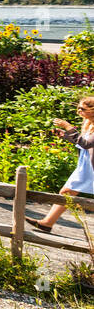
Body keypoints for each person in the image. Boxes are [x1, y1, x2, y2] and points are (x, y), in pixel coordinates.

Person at [32, 96, 94, 233]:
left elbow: (87, 143)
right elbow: (82, 142)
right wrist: (66, 135)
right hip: (86, 166)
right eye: (78, 108)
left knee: (67, 192)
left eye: (82, 109)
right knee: (66, 192)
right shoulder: (89, 124)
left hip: (90, 168)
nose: (79, 111)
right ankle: (46, 223)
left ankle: (47, 223)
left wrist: (68, 127)